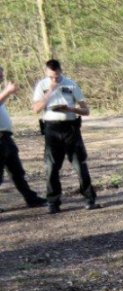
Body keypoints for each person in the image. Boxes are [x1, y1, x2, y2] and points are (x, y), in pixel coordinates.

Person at [31, 59, 100, 213]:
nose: (54, 79)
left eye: (57, 76)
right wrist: (50, 91)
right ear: (46, 73)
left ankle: (90, 199)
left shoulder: (71, 84)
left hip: (71, 128)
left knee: (79, 165)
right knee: (51, 167)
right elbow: (36, 108)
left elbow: (86, 111)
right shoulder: (42, 85)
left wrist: (70, 109)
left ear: (61, 71)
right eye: (51, 77)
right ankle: (53, 202)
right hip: (51, 129)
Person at [0, 65, 47, 211]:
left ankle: (31, 198)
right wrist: (7, 92)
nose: (2, 77)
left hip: (6, 138)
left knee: (17, 172)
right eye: (0, 75)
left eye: (1, 74)